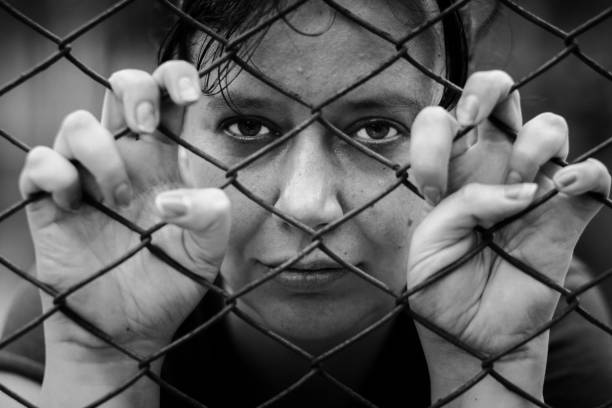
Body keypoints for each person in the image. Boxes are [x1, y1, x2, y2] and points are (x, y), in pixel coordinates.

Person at [1, 0, 612, 407]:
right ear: (176, 134)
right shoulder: (98, 279)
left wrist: (488, 367)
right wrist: (99, 361)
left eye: (375, 129)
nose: (307, 205)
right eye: (247, 127)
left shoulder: (526, 298)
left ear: (452, 140)